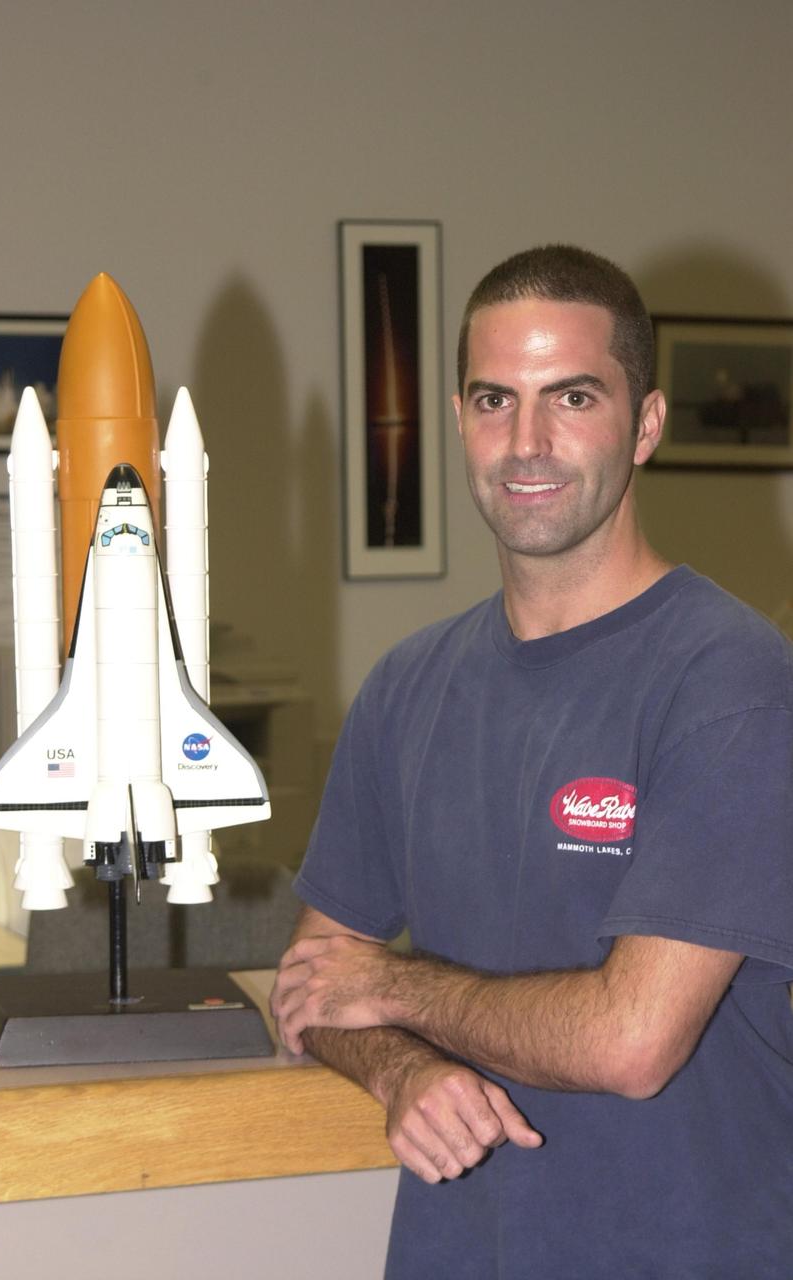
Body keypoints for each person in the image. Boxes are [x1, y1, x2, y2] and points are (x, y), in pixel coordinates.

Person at [270, 245, 793, 1278]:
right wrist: (401, 1068)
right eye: (492, 398)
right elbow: (309, 986)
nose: (526, 441)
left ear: (642, 424)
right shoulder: (404, 686)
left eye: (571, 396)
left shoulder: (730, 681)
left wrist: (394, 987)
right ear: (457, 420)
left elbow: (629, 1041)